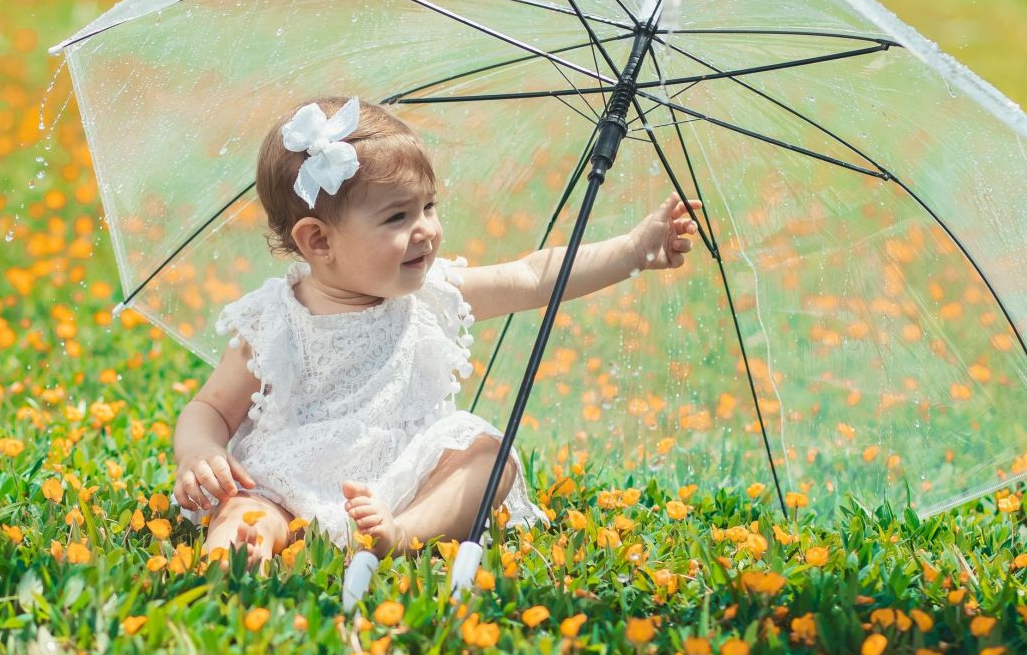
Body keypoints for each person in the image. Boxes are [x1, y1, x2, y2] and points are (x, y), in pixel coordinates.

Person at [169, 95, 702, 573]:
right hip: (290, 477)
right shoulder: (277, 320)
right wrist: (198, 451)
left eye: (428, 206)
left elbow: (534, 276)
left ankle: (406, 533)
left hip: (404, 479)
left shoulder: (432, 294)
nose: (425, 228)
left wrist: (634, 251)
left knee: (490, 455)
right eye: (398, 217)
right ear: (318, 242)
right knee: (247, 506)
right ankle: (241, 546)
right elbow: (212, 408)